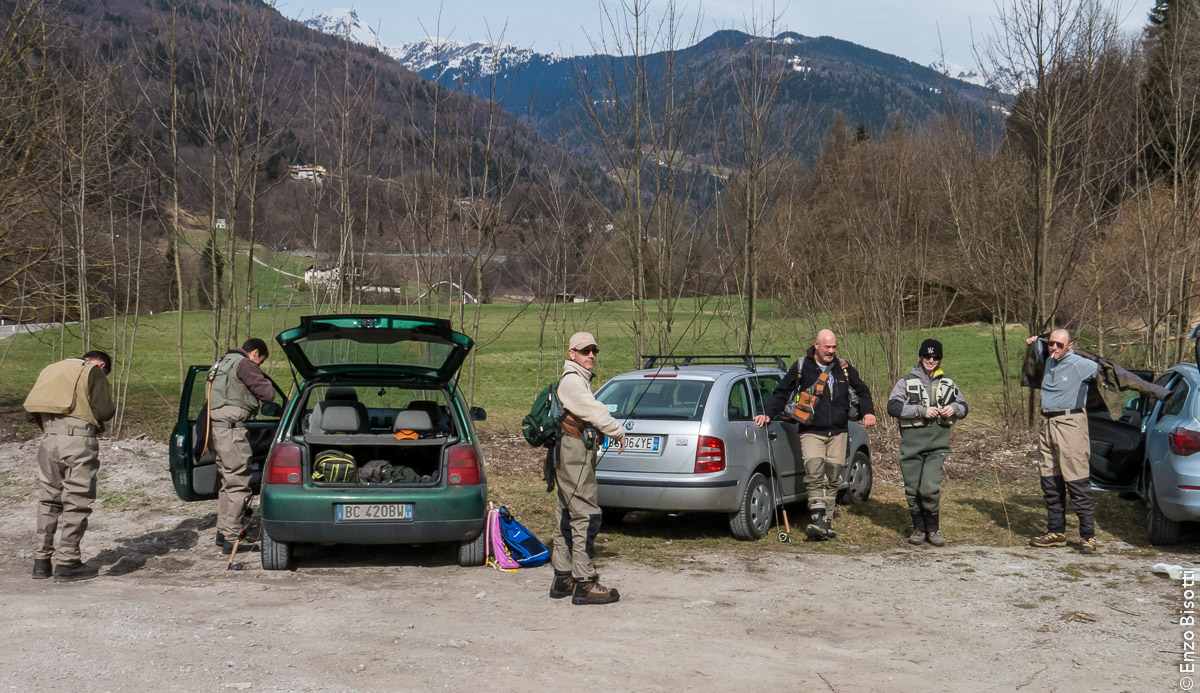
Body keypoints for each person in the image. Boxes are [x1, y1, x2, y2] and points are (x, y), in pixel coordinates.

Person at [755, 329, 876, 541]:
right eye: (827, 347)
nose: (831, 351)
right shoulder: (802, 367)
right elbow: (782, 392)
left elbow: (862, 390)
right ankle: (817, 516)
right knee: (814, 473)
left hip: (838, 431)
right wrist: (767, 414)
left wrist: (868, 412)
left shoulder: (843, 368)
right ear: (816, 345)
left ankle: (825, 521)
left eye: (834, 347)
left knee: (833, 475)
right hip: (811, 431)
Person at [23, 351, 116, 581]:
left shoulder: (50, 369)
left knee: (48, 499)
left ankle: (41, 562)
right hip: (78, 441)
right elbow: (105, 411)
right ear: (101, 365)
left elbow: (29, 412)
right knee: (77, 499)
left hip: (48, 439)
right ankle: (68, 562)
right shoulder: (92, 372)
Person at [549, 331, 626, 605]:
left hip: (568, 449)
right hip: (573, 452)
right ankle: (584, 582)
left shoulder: (576, 380)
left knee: (566, 511)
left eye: (593, 350)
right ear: (572, 354)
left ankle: (563, 577)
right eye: (584, 351)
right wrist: (618, 432)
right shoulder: (573, 381)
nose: (590, 355)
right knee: (586, 513)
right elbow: (595, 412)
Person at [1025, 329, 1101, 554]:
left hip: (1071, 423)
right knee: (1050, 481)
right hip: (1047, 423)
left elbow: (1109, 373)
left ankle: (1088, 536)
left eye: (1060, 345)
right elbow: (1041, 342)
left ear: (1070, 345)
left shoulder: (1080, 364)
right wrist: (1036, 339)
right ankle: (1056, 532)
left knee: (1077, 481)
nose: (1054, 348)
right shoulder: (1049, 360)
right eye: (1051, 344)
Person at [885, 339, 968, 547]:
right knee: (913, 489)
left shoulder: (947, 382)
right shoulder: (906, 382)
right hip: (911, 446)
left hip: (937, 446)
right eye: (927, 356)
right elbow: (893, 407)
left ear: (940, 359)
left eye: (935, 357)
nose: (931, 360)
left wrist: (955, 409)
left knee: (929, 488)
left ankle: (933, 528)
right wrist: (921, 411)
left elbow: (964, 406)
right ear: (921, 357)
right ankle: (919, 529)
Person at [206, 338, 275, 554]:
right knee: (238, 482)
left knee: (227, 481)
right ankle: (232, 539)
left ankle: (223, 532)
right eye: (260, 362)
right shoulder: (244, 364)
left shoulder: (221, 363)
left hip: (214, 428)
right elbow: (268, 394)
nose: (258, 366)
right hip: (232, 430)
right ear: (255, 353)